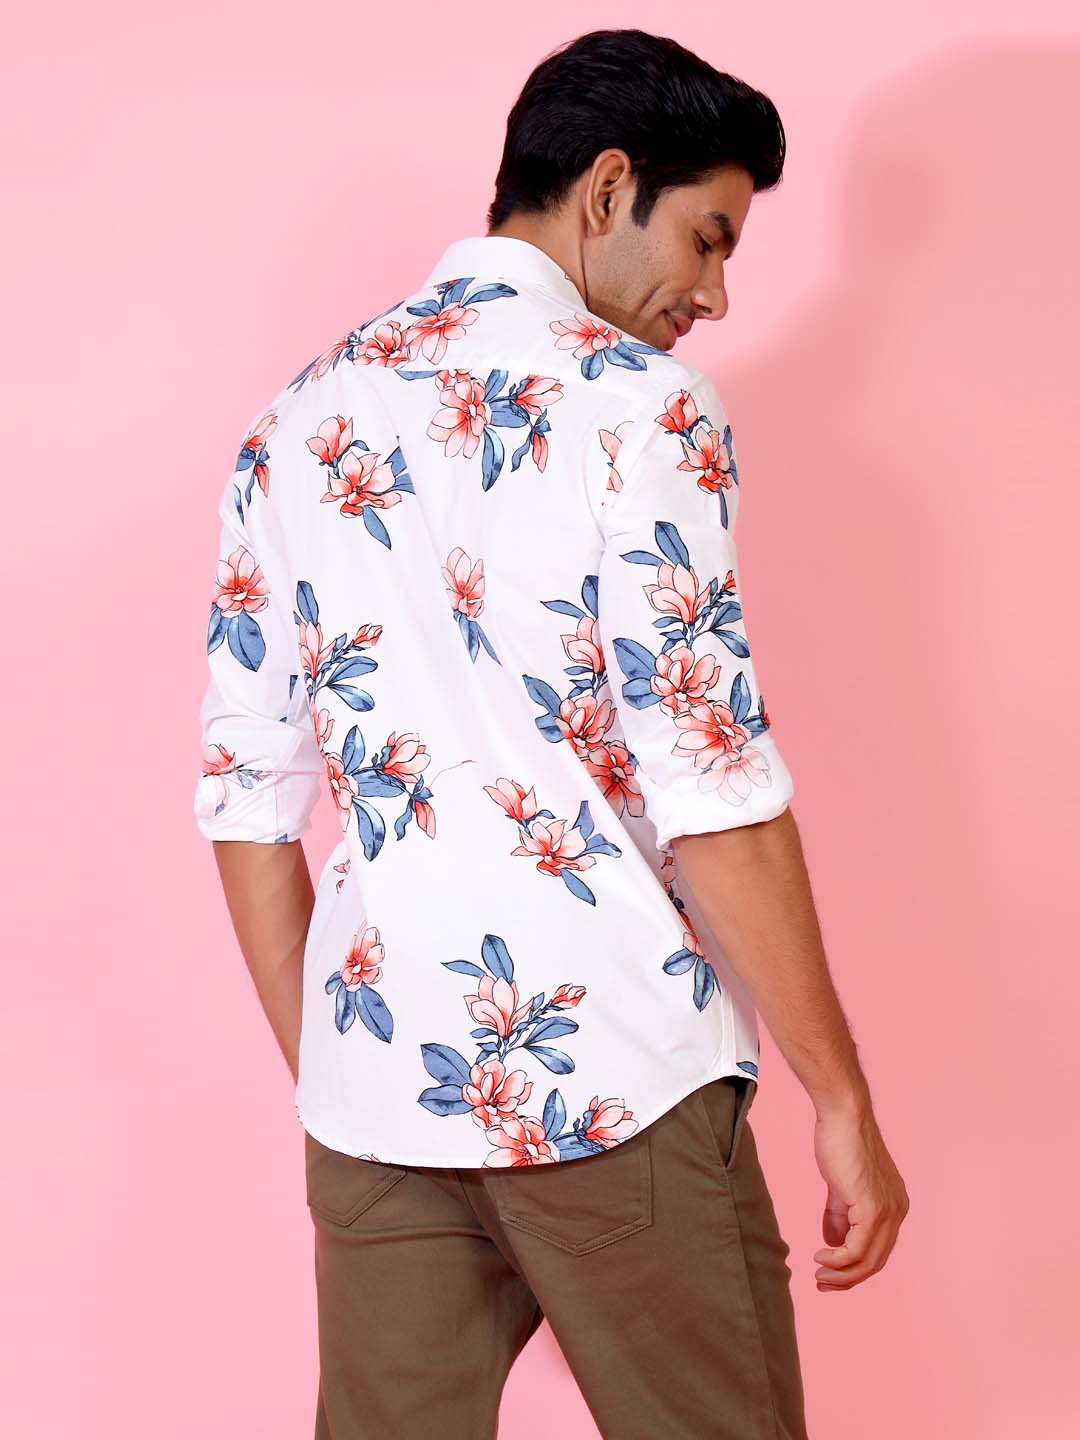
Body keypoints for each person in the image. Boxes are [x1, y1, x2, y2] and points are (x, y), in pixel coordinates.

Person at [192, 25, 909, 1440]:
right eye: (707, 239)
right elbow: (712, 786)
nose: (713, 295)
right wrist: (841, 1098)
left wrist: (342, 1075)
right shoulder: (641, 409)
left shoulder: (295, 422)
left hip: (378, 1103)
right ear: (607, 186)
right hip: (615, 1080)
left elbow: (244, 798)